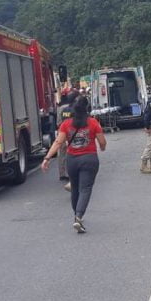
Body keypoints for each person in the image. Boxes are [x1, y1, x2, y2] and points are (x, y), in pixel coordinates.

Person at [42, 96, 107, 233]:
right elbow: (102, 142)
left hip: (72, 160)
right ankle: (78, 216)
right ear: (87, 109)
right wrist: (102, 147)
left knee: (75, 188)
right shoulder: (93, 123)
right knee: (85, 189)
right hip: (89, 159)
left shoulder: (66, 124)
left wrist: (47, 158)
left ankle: (76, 216)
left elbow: (58, 143)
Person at [57, 90, 79, 188]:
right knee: (71, 153)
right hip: (71, 132)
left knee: (61, 153)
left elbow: (58, 122)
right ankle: (72, 174)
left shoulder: (60, 108)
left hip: (61, 131)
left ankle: (62, 173)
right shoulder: (73, 108)